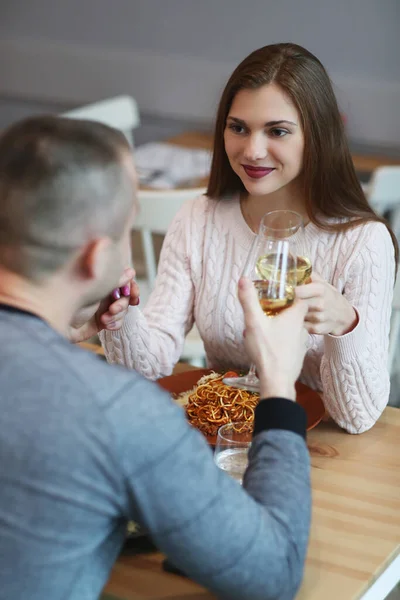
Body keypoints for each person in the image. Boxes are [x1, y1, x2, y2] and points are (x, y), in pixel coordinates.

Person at [0, 115, 311, 600]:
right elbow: (273, 571)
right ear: (95, 256)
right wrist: (277, 384)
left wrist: (53, 336)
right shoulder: (118, 412)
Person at [99, 43, 398, 434]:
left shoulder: (363, 241)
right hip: (224, 439)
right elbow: (148, 368)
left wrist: (346, 325)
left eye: (277, 131)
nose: (252, 151)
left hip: (318, 452)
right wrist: (121, 317)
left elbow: (356, 418)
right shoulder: (198, 218)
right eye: (238, 127)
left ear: (317, 136)